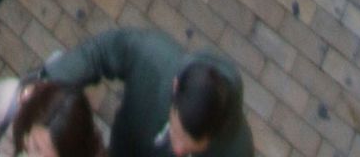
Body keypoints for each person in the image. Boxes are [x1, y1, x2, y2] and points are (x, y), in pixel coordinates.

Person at [42, 34, 253, 157]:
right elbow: (99, 53)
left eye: (192, 147)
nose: (178, 150)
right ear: (175, 87)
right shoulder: (153, 61)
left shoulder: (237, 151)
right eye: (176, 133)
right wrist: (43, 82)